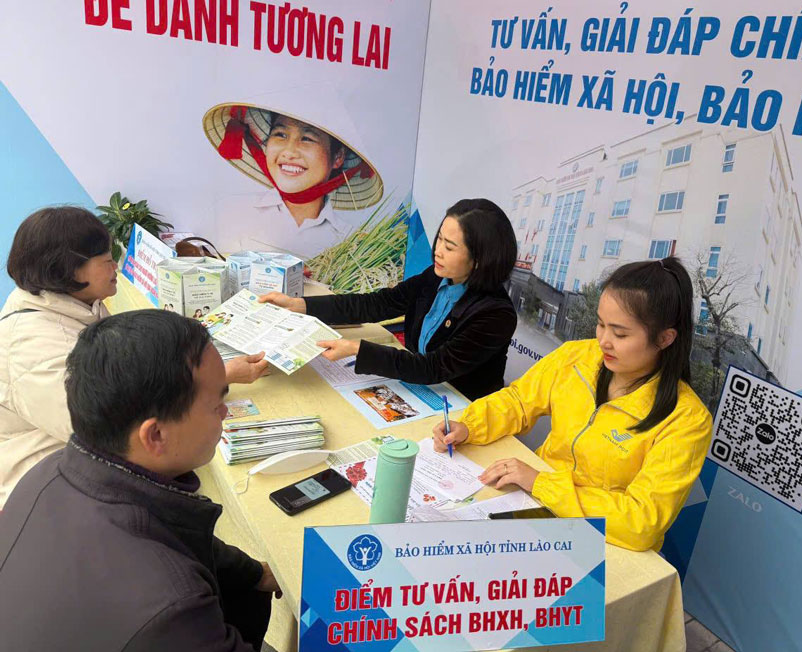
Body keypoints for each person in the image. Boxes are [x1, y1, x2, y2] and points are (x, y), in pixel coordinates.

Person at [0, 310, 280, 650]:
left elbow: (172, 528)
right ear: (156, 434)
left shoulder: (50, 472)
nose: (224, 412)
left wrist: (254, 573)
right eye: (217, 404)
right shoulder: (171, 610)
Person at [432, 257, 714, 552]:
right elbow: (518, 401)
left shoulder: (687, 419)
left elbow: (641, 521)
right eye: (601, 324)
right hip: (531, 503)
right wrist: (469, 426)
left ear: (665, 338)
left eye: (620, 334)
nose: (603, 340)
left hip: (604, 543)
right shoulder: (577, 357)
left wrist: (541, 484)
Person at [0, 207, 268, 507]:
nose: (116, 266)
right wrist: (218, 379)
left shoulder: (73, 305)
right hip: (42, 485)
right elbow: (102, 423)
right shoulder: (33, 345)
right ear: (71, 271)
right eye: (106, 260)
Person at [259, 199, 518, 400]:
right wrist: (300, 305)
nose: (437, 251)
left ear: (481, 258)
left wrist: (359, 350)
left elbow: (432, 367)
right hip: (421, 390)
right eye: (439, 238)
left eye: (450, 247)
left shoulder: (495, 314)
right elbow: (378, 304)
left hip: (460, 409)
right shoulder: (438, 275)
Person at [206, 102, 384, 259]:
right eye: (280, 134)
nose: (289, 152)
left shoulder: (349, 240)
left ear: (338, 157)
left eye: (307, 139)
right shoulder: (234, 212)